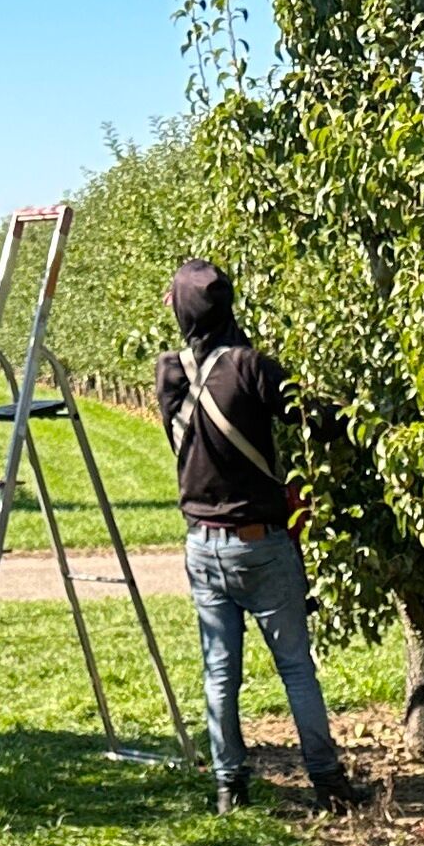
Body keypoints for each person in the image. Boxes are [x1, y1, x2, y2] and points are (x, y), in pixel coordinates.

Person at [156, 259, 366, 814]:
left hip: (202, 544)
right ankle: (327, 781)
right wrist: (365, 418)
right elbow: (315, 417)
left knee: (219, 673)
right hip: (261, 545)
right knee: (295, 667)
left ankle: (229, 786)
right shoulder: (250, 367)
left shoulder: (170, 372)